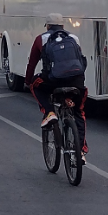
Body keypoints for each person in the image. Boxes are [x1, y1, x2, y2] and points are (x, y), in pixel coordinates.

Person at [25, 13, 88, 159]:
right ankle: (81, 150)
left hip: (53, 80)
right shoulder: (74, 38)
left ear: (47, 26)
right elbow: (81, 61)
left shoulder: (41, 39)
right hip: (76, 81)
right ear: (63, 25)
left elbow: (32, 63)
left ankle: (49, 113)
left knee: (35, 85)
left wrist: (28, 81)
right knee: (79, 112)